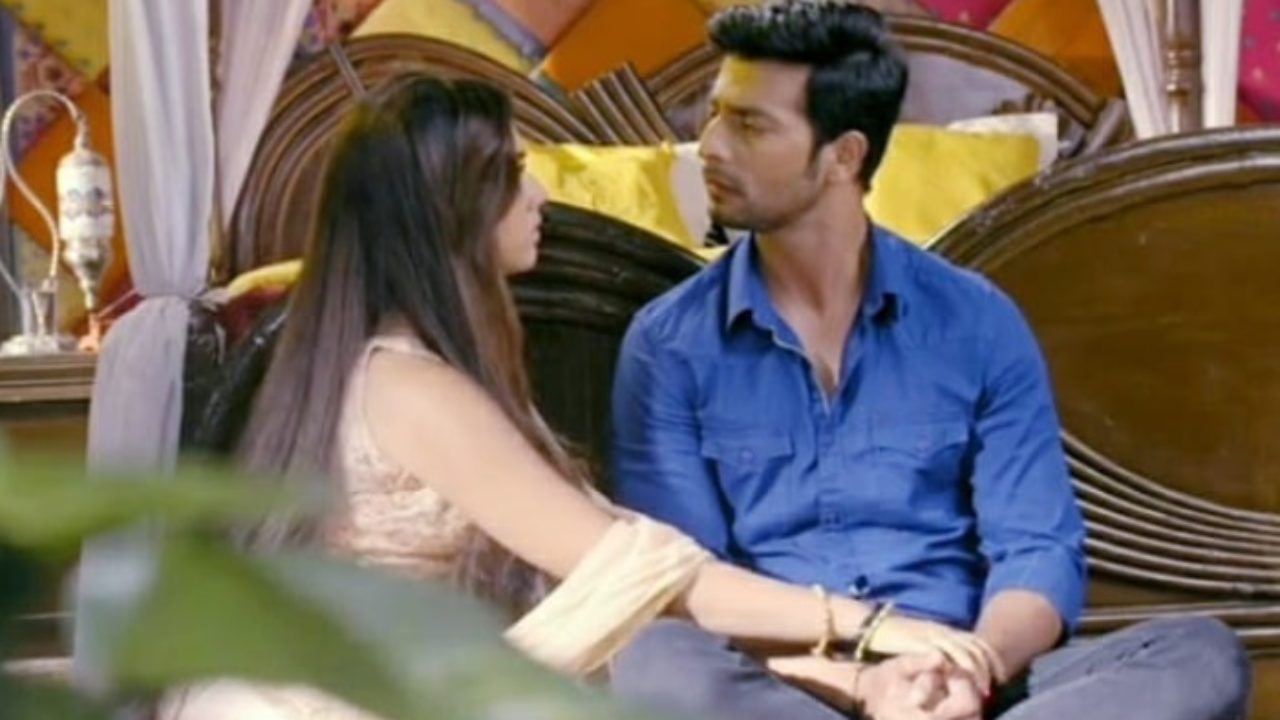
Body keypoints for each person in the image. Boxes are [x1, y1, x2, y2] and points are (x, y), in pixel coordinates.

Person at [161, 74, 1003, 720]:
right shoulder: (408, 387)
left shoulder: (442, 375)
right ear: (450, 207)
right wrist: (870, 624)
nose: (541, 197)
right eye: (513, 174)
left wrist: (852, 680)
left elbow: (620, 604)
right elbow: (642, 572)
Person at [608, 3, 1251, 720]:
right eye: (713, 116)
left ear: (844, 156)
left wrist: (971, 669)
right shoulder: (668, 345)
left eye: (749, 125)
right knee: (657, 663)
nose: (711, 147)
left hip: (968, 677)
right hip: (789, 689)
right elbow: (686, 589)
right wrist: (863, 686)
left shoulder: (977, 321)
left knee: (1200, 654)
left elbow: (1037, 553)